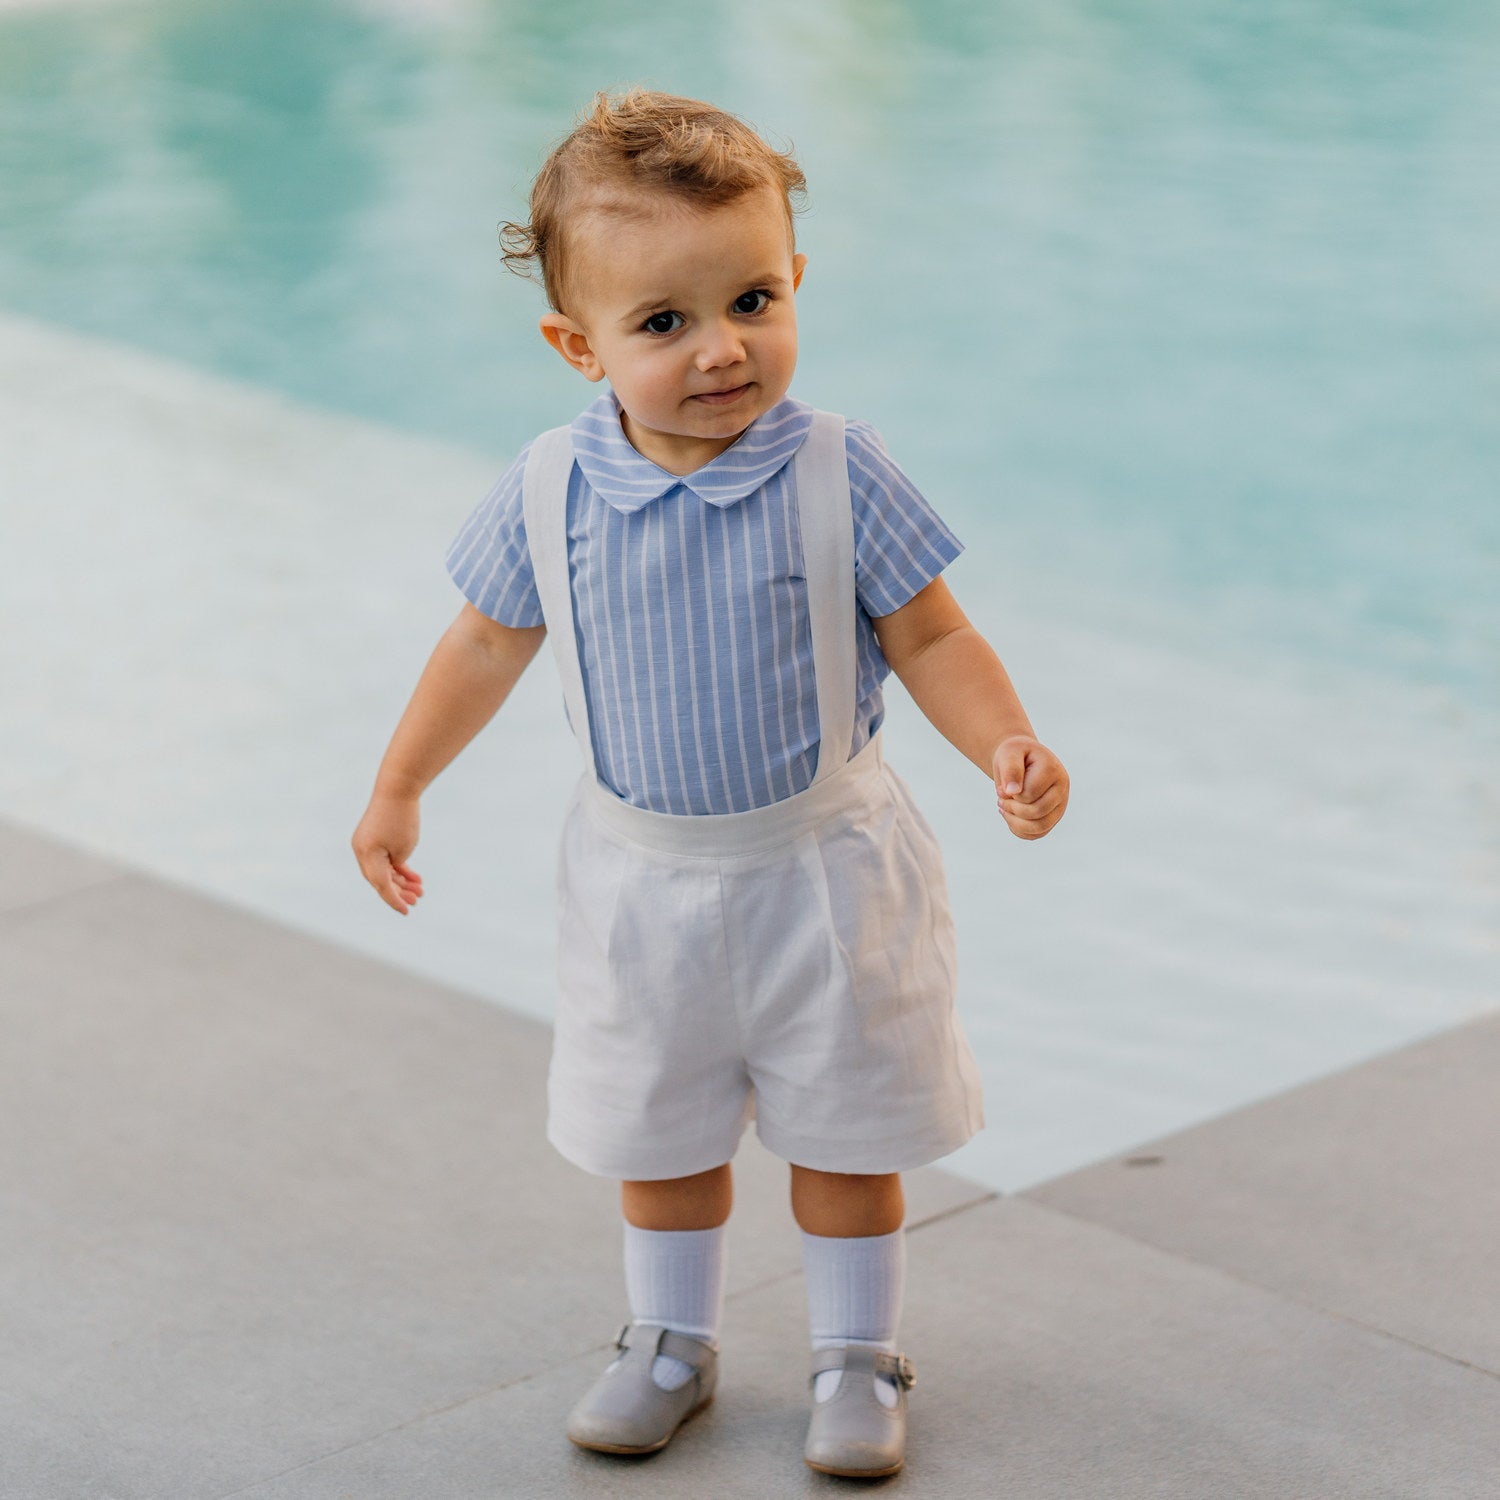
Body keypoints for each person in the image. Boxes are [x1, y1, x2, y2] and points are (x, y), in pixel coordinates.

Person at [351, 87, 1069, 1480]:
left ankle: (857, 1355)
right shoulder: (549, 488)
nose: (723, 350)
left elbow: (931, 629)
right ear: (579, 345)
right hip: (639, 881)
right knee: (658, 1123)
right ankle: (667, 1340)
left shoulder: (838, 468)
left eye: (750, 297)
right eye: (664, 324)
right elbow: (483, 644)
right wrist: (399, 785)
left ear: (795, 277)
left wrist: (1006, 744)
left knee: (849, 1129)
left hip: (827, 871)